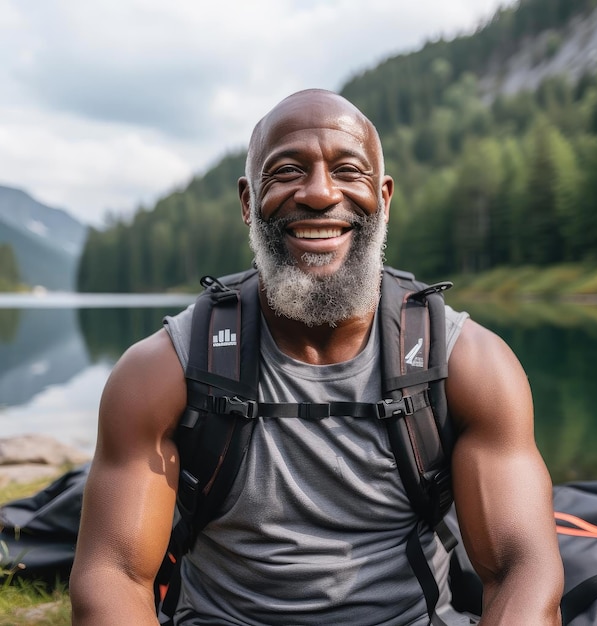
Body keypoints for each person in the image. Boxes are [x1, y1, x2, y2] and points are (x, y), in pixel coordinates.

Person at [69, 89, 564, 625]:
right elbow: (112, 574)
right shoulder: (161, 371)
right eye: (286, 171)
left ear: (385, 196)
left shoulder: (472, 366)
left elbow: (522, 567)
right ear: (246, 201)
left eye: (348, 170)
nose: (320, 194)